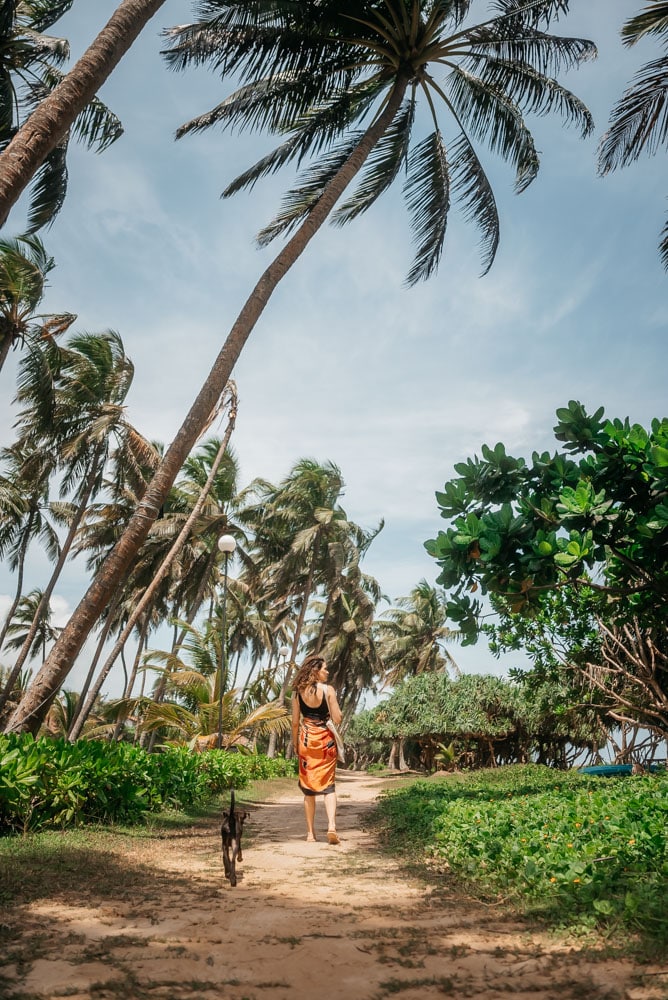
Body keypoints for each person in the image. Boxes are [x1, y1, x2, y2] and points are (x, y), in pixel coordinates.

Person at [291, 654, 343, 844]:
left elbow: (295, 723)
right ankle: (331, 826)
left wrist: (294, 744)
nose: (327, 672)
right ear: (316, 671)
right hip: (325, 743)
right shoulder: (328, 690)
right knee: (329, 786)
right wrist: (335, 706)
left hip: (306, 741)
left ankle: (310, 834)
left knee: (308, 788)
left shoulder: (297, 693)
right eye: (325, 669)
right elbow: (337, 718)